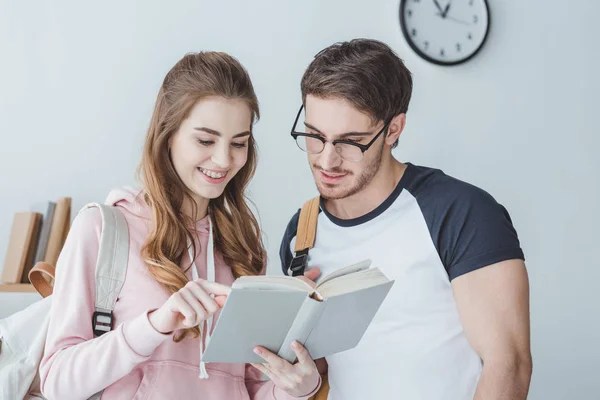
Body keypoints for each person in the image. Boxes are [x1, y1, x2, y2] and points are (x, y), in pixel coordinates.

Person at [39, 51, 321, 399]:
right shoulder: (103, 228)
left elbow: (247, 387)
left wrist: (295, 390)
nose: (223, 159)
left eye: (239, 143)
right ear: (168, 134)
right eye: (205, 140)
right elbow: (57, 383)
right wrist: (155, 323)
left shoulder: (244, 249)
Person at [280, 39, 532, 400]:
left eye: (351, 142)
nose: (327, 160)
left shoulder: (460, 213)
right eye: (315, 137)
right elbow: (322, 372)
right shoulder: (300, 234)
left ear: (393, 130)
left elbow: (509, 364)